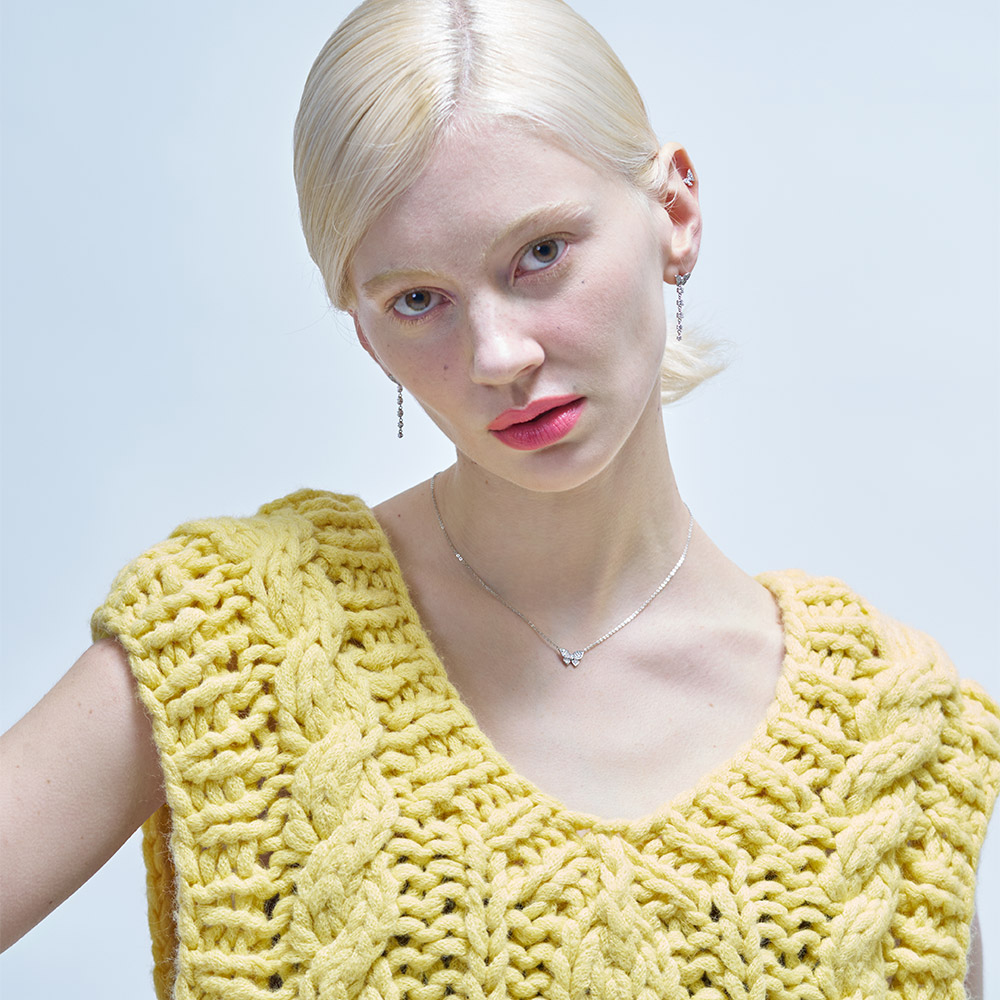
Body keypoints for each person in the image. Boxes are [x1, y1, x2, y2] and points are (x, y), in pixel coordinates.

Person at [1, 0, 997, 997]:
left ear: (675, 214)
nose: (498, 356)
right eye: (418, 300)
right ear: (364, 333)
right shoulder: (233, 639)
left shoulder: (893, 732)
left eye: (542, 253)